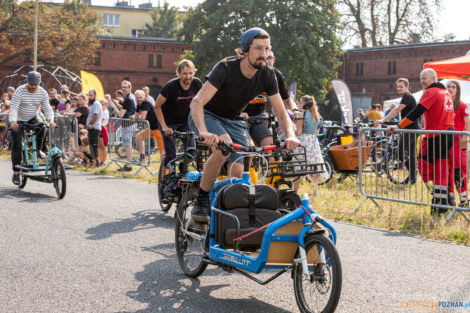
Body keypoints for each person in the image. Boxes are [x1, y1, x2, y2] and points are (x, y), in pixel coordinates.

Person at [188, 27, 300, 222]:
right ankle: (201, 200)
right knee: (224, 146)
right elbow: (197, 102)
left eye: (267, 49)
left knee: (239, 173)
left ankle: (224, 209)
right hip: (208, 114)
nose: (263, 54)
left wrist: (291, 135)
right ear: (246, 49)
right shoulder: (225, 67)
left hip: (233, 119)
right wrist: (203, 131)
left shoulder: (267, 74)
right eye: (258, 48)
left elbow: (281, 113)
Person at [388, 69, 454, 215]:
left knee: (424, 166)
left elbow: (416, 112)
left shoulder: (430, 92)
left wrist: (399, 126)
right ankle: (442, 203)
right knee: (441, 169)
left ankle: (438, 197)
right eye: (421, 78)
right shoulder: (446, 93)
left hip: (436, 136)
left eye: (425, 78)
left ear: (434, 78)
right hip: (448, 134)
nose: (422, 81)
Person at [8, 71, 56, 185]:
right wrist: (13, 121)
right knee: (17, 144)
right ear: (27, 82)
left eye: (35, 84)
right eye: (31, 84)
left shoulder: (43, 93)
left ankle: (39, 149)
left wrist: (51, 120)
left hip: (33, 116)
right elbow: (14, 107)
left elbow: (47, 108)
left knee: (43, 126)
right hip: (19, 118)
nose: (33, 86)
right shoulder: (19, 91)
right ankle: (16, 171)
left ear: (39, 83)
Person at [155, 59, 202, 170]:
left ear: (194, 72)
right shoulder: (170, 86)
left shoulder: (197, 83)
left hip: (185, 121)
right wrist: (164, 127)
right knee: (171, 155)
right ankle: (166, 178)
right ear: (179, 73)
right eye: (185, 74)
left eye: (190, 73)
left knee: (192, 152)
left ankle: (182, 169)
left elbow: (201, 103)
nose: (188, 77)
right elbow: (157, 106)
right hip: (168, 121)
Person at [242, 49, 295, 147]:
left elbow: (286, 100)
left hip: (260, 116)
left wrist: (295, 109)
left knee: (271, 148)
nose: (267, 61)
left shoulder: (276, 75)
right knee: (249, 151)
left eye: (269, 58)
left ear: (274, 60)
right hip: (240, 117)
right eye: (264, 58)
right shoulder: (246, 72)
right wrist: (237, 113)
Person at [376, 77, 418, 184]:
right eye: (398, 87)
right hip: (410, 129)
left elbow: (397, 110)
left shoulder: (407, 97)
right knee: (411, 154)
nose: (399, 89)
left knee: (400, 152)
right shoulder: (407, 97)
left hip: (411, 130)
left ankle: (413, 173)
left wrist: (383, 120)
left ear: (407, 87)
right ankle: (413, 177)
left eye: (401, 86)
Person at [292, 95, 326, 198]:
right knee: (313, 168)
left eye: (300, 102)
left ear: (305, 103)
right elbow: (316, 132)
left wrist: (290, 130)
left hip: (302, 142)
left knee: (299, 168)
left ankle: (295, 192)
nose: (298, 103)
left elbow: (299, 131)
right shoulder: (317, 115)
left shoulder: (302, 114)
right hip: (313, 142)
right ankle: (315, 192)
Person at [446, 80, 470, 207]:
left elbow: (469, 125)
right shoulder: (444, 104)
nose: (450, 89)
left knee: (458, 172)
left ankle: (464, 200)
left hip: (457, 144)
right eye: (448, 87)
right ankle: (450, 199)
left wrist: (463, 142)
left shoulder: (462, 105)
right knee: (446, 172)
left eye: (453, 87)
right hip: (445, 143)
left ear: (457, 89)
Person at [109, 80, 136, 172]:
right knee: (128, 145)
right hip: (129, 123)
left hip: (128, 124)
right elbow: (126, 109)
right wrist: (117, 104)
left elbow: (121, 114)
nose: (123, 89)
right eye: (122, 87)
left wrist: (113, 106)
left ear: (129, 88)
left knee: (128, 145)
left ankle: (128, 165)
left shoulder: (128, 98)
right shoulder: (129, 97)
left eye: (125, 87)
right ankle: (128, 164)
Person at [133, 90, 164, 164]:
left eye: (140, 97)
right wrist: (134, 117)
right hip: (150, 128)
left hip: (157, 128)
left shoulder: (146, 103)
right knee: (139, 137)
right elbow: (136, 116)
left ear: (144, 97)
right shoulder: (138, 105)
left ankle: (164, 166)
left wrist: (135, 118)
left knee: (162, 149)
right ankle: (142, 158)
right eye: (137, 97)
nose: (139, 99)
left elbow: (142, 117)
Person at [98, 99, 109, 166]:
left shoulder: (105, 112)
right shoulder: (100, 111)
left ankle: (103, 160)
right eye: (100, 104)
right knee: (99, 146)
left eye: (102, 104)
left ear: (106, 105)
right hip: (98, 128)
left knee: (103, 146)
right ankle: (100, 159)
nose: (101, 106)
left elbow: (100, 121)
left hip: (102, 129)